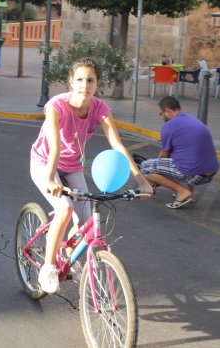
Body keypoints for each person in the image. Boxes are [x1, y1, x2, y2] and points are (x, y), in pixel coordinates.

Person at [31, 57, 153, 294]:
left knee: (85, 224)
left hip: (73, 165)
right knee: (66, 209)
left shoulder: (100, 108)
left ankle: (68, 256)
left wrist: (141, 180)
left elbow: (117, 145)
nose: (84, 85)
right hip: (45, 163)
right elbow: (54, 147)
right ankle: (47, 267)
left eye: (90, 80)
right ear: (70, 82)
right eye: (79, 79)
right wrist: (49, 180)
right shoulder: (56, 106)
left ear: (97, 84)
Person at [139, 96, 219, 209]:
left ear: (168, 111)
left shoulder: (168, 126)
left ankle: (182, 191)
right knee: (185, 157)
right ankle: (189, 193)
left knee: (145, 167)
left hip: (193, 173)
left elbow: (163, 156)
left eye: (161, 114)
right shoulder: (193, 120)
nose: (161, 117)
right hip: (210, 172)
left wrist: (154, 178)